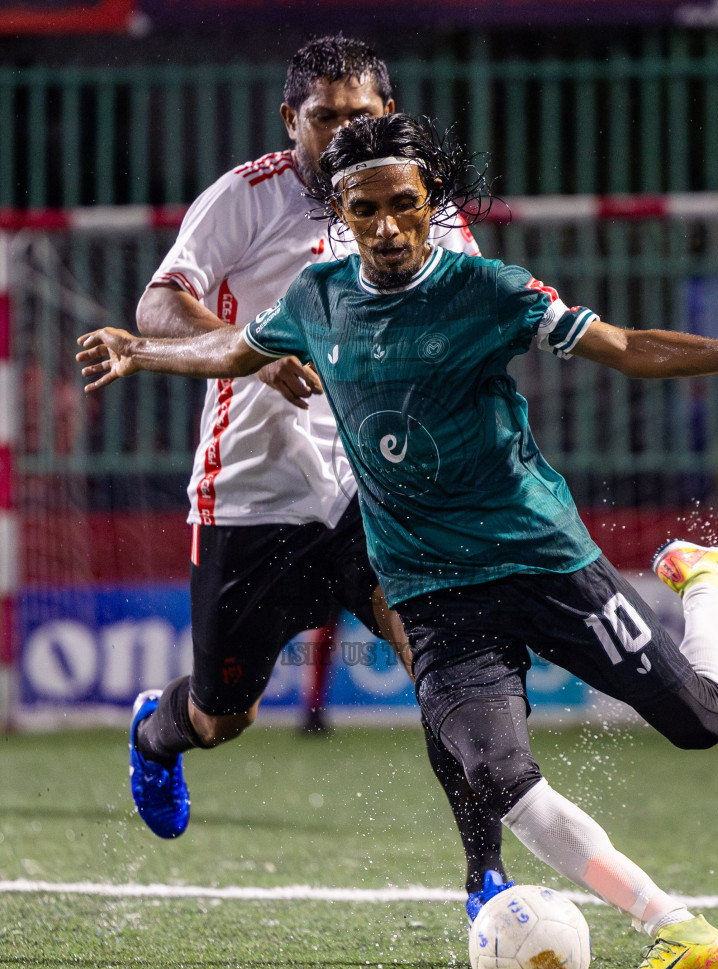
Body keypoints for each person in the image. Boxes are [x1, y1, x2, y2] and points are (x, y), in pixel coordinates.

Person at [79, 113, 718, 969]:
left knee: (701, 719)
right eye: (364, 211)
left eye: (404, 206)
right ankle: (677, 931)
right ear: (340, 214)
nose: (387, 227)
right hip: (433, 594)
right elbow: (235, 345)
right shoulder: (317, 297)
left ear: (430, 202)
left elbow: (628, 348)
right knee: (500, 774)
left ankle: (704, 578)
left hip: (540, 557)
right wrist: (144, 348)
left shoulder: (491, 289)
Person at [122, 37, 516, 916]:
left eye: (363, 113)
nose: (345, 130)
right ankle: (157, 734)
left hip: (380, 488)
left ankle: (486, 877)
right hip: (255, 490)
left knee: (438, 661)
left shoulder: (420, 203)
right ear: (289, 121)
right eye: (325, 116)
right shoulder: (247, 195)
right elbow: (157, 302)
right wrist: (253, 357)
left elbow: (469, 306)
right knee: (222, 716)